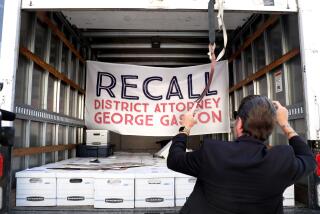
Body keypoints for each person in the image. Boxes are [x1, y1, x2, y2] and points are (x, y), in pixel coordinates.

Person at [167, 95, 316, 214]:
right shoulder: (282, 160)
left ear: (239, 124)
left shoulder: (212, 152)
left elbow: (174, 159)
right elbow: (309, 159)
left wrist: (185, 127)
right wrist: (285, 124)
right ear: (271, 127)